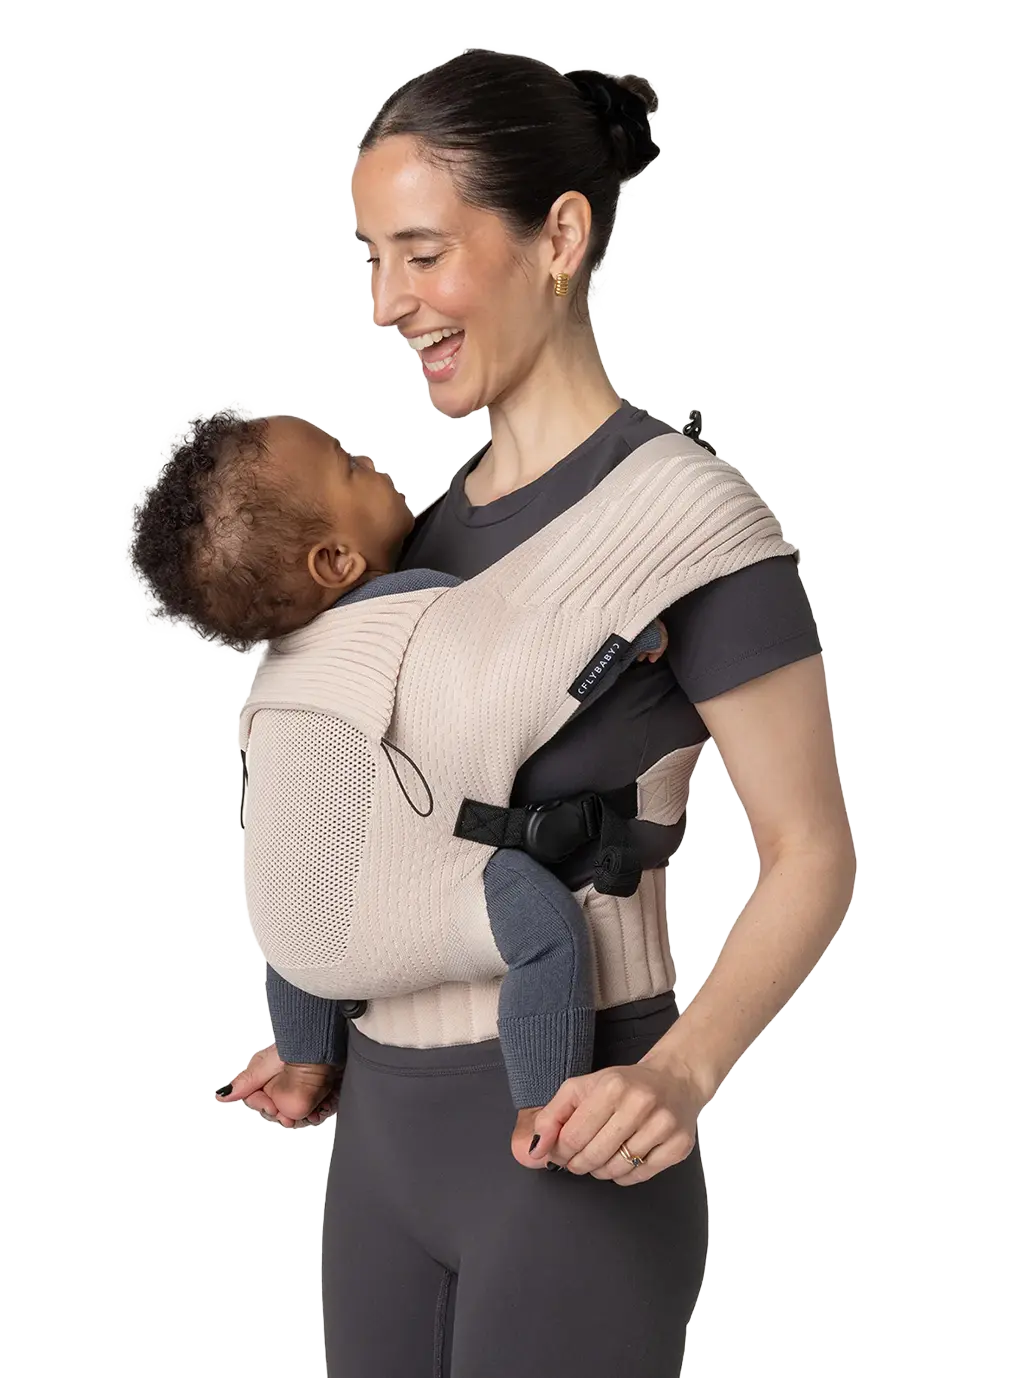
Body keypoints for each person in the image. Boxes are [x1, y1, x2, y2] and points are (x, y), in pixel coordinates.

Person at [210, 48, 856, 1377]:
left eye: (422, 253)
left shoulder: (688, 525)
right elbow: (381, 823)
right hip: (379, 1145)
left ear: (559, 236)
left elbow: (812, 852)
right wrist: (318, 1028)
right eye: (372, 259)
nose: (387, 303)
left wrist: (680, 1073)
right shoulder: (411, 540)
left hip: (576, 1132)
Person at [126, 405, 672, 1149]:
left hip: (294, 947)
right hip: (415, 912)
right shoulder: (419, 607)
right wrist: (625, 638)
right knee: (549, 935)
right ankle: (542, 1104)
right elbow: (526, 667)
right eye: (350, 466)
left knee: (304, 889)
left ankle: (305, 1063)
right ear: (336, 562)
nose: (374, 464)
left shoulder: (280, 676)